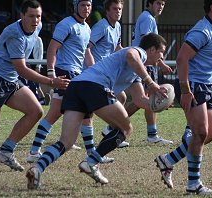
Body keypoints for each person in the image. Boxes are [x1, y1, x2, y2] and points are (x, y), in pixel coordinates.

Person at [26, 33, 168, 189]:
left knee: (66, 142)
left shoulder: (137, 72)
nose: (162, 57)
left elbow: (140, 99)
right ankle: (91, 162)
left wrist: (160, 104)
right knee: (126, 128)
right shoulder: (138, 52)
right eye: (162, 52)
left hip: (76, 87)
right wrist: (151, 82)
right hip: (94, 86)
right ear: (152, 49)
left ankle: (37, 168)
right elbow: (130, 55)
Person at [0, 0, 69, 173]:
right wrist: (51, 81)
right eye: (31, 16)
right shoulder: (15, 34)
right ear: (21, 15)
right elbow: (22, 68)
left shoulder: (37, 27)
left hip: (11, 79)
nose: (36, 20)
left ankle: (6, 150)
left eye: (38, 16)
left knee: (35, 111)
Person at [154, 0, 212, 195]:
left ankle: (168, 160)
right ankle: (193, 184)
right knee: (200, 133)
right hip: (193, 85)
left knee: (210, 134)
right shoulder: (202, 31)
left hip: (207, 85)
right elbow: (181, 58)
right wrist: (186, 90)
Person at [26, 0, 95, 163]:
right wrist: (51, 73)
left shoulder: (87, 28)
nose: (86, 8)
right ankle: (92, 154)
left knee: (61, 112)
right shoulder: (66, 24)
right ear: (75, 6)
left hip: (77, 74)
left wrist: (95, 72)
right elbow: (52, 48)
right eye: (83, 5)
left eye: (89, 5)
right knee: (80, 110)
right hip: (65, 72)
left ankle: (34, 151)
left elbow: (86, 53)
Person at [106, 0, 173, 146]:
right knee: (147, 99)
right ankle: (151, 134)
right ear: (149, 3)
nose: (160, 6)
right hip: (144, 63)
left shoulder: (147, 17)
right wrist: (160, 63)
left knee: (142, 100)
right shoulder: (147, 18)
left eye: (163, 4)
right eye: (158, 3)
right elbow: (148, 43)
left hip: (144, 62)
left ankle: (112, 127)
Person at [84, 0, 129, 149]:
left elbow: (117, 47)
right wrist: (93, 68)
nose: (118, 11)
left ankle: (109, 130)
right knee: (87, 109)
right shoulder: (101, 27)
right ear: (107, 11)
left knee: (121, 97)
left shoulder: (117, 26)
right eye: (115, 9)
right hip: (96, 73)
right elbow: (87, 48)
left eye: (120, 9)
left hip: (107, 73)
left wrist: (128, 56)